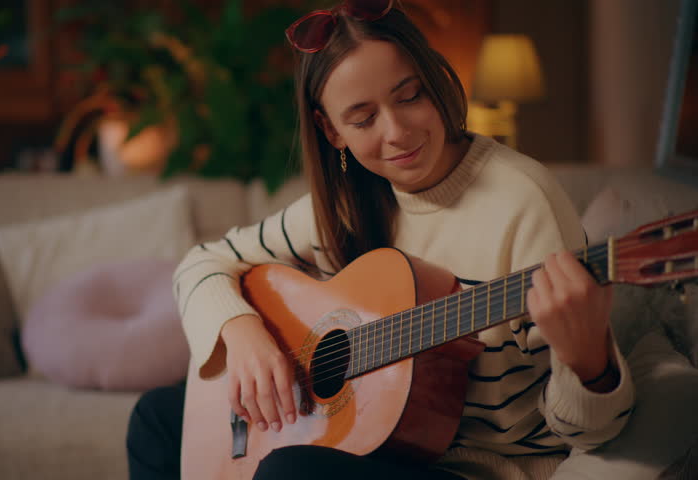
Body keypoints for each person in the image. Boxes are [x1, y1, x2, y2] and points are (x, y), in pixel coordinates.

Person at [127, 1, 635, 479]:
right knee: (155, 418)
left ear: (434, 81)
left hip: (474, 469)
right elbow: (201, 263)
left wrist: (589, 363)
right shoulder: (349, 202)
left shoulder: (525, 203)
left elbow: (590, 433)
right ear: (332, 132)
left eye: (409, 95)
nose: (396, 132)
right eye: (363, 118)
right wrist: (244, 335)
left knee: (289, 472)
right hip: (371, 449)